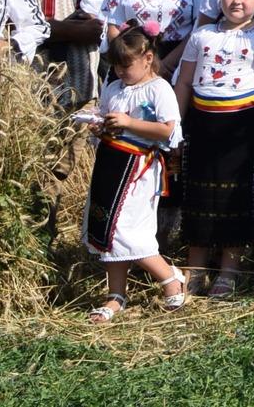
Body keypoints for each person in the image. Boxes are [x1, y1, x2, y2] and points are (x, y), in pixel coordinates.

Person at [173, 0, 254, 299]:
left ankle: (229, 270)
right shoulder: (202, 35)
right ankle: (195, 268)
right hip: (202, 124)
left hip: (245, 124)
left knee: (237, 197)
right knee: (199, 195)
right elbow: (184, 82)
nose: (237, 1)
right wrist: (175, 129)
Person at [81, 28, 187, 322]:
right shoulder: (114, 87)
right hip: (109, 164)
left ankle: (170, 278)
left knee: (126, 229)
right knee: (107, 227)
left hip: (139, 169)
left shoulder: (158, 89)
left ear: (148, 58)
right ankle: (116, 294)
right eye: (116, 65)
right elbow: (107, 117)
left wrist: (128, 123)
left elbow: (168, 130)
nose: (120, 71)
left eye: (126, 65)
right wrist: (100, 126)